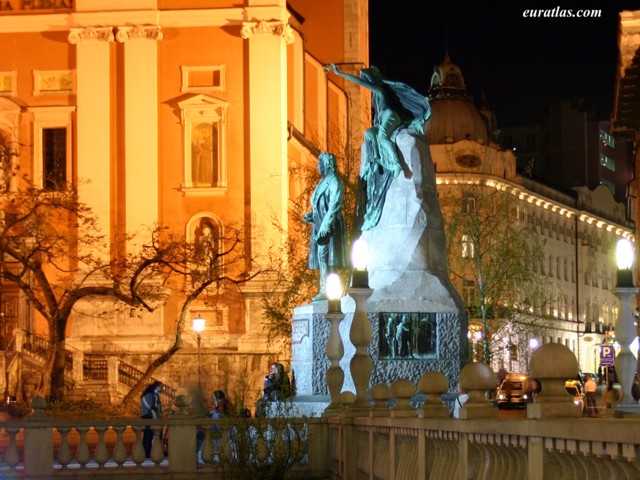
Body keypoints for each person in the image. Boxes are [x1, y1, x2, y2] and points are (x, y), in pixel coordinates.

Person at [328, 63, 431, 231]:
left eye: (368, 78)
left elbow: (362, 84)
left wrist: (340, 73)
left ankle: (396, 164)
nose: (366, 80)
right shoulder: (377, 96)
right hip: (384, 118)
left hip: (391, 117)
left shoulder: (380, 90)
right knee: (370, 134)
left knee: (383, 137)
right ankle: (377, 159)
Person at [302, 152, 348, 301]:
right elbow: (319, 204)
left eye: (320, 163)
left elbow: (334, 205)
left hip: (329, 228)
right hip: (319, 224)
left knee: (328, 259)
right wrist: (312, 214)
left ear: (327, 164)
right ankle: (326, 290)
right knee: (323, 258)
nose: (318, 166)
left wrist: (325, 226)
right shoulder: (323, 182)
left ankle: (329, 291)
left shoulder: (334, 181)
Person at [140, 381, 163, 458]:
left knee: (148, 435)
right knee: (149, 435)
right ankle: (146, 453)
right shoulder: (151, 395)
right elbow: (153, 407)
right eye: (160, 387)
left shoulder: (150, 394)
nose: (161, 388)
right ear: (157, 387)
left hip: (146, 415)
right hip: (149, 416)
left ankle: (146, 452)